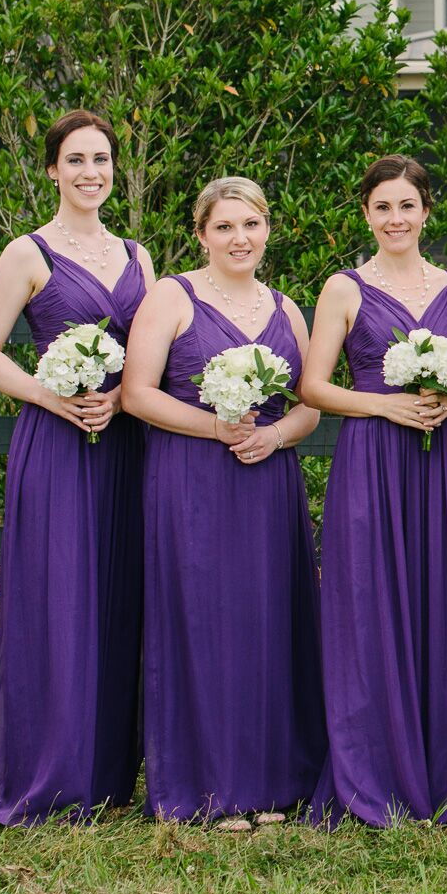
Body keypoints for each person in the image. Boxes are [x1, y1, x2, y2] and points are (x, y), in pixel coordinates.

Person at [0, 109, 153, 825]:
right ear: (52, 169)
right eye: (76, 159)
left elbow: (153, 349)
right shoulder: (28, 253)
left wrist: (120, 397)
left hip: (122, 442)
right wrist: (52, 396)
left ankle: (108, 765)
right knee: (59, 594)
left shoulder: (139, 257)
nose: (91, 172)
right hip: (54, 444)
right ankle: (51, 765)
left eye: (102, 158)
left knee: (118, 593)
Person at [124, 176, 325, 823]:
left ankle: (272, 780)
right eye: (225, 227)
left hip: (267, 484)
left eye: (251, 224)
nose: (240, 238)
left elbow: (310, 409)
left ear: (268, 229)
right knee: (201, 622)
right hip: (191, 481)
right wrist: (213, 425)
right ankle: (207, 784)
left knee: (268, 624)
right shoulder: (171, 297)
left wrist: (273, 434)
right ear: (201, 234)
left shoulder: (288, 309)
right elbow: (136, 393)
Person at [303, 156, 447, 827]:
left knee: (440, 603)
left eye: (407, 206)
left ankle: (439, 777)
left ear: (426, 211)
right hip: (372, 459)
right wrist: (385, 407)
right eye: (383, 207)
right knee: (369, 602)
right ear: (367, 215)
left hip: (439, 463)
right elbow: (314, 386)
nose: (396, 219)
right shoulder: (343, 289)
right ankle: (370, 772)